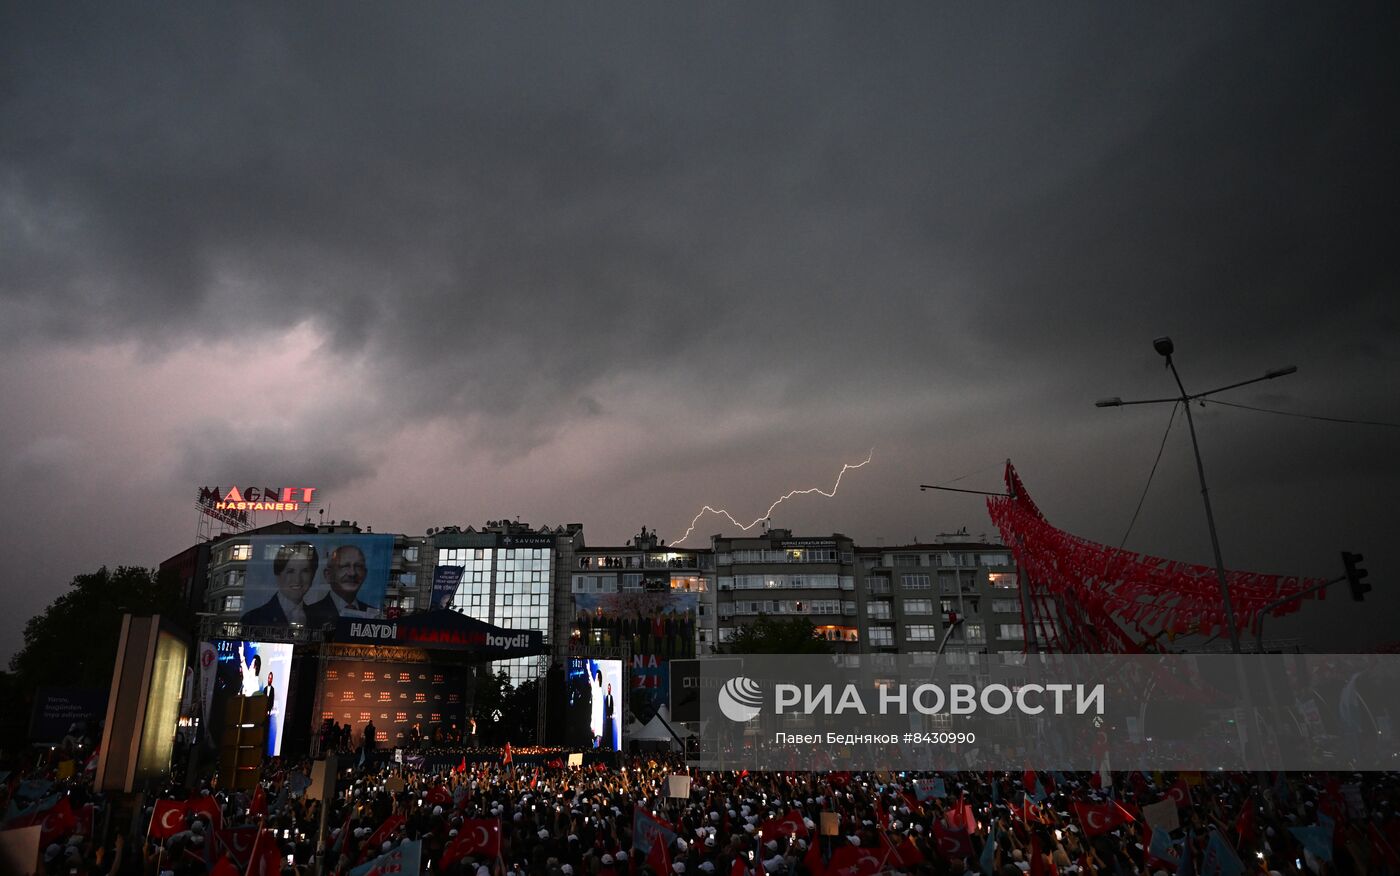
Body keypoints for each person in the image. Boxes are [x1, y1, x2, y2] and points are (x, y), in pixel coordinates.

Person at [241, 542, 318, 626]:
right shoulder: (252, 619)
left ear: (313, 575)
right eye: (290, 571)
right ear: (278, 574)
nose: (297, 579)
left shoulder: (318, 618)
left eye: (305, 571)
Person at [306, 544, 376, 628]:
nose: (352, 573)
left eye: (358, 566)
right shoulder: (310, 612)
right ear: (328, 575)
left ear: (365, 574)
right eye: (344, 566)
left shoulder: (373, 614)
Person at [603, 681, 616, 750]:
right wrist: (606, 715)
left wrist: (611, 715)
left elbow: (612, 707)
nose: (609, 689)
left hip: (610, 717)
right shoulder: (605, 697)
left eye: (609, 688)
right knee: (606, 730)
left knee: (610, 729)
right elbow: (605, 707)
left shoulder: (611, 697)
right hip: (606, 717)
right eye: (608, 688)